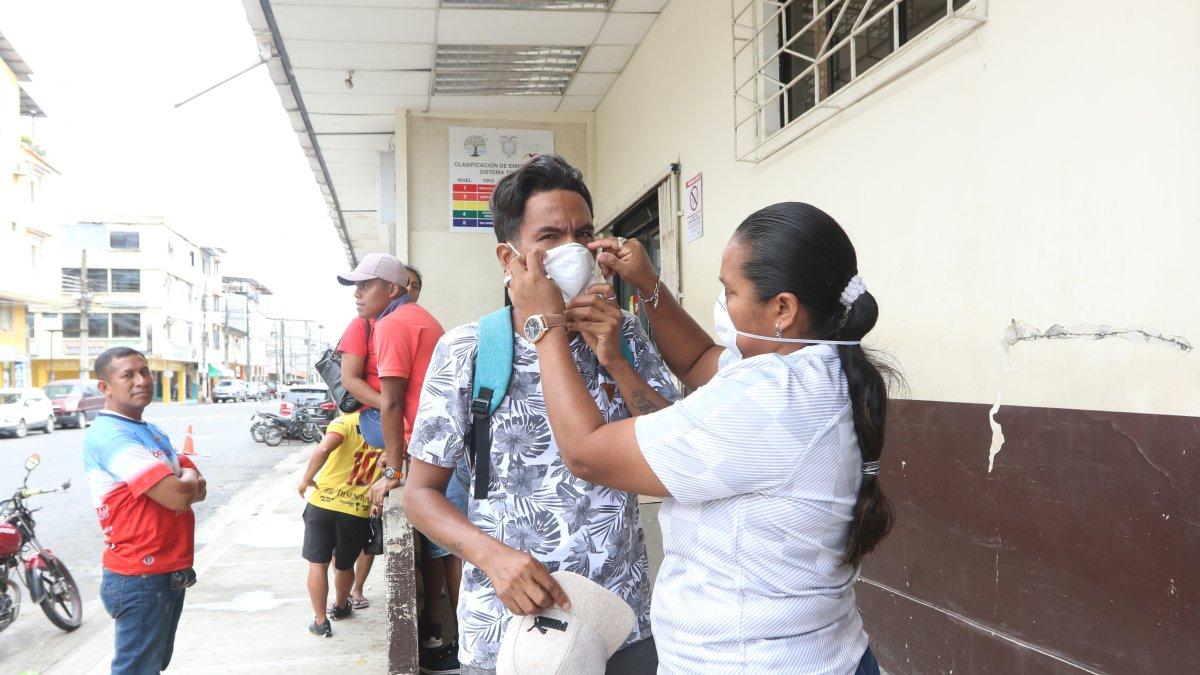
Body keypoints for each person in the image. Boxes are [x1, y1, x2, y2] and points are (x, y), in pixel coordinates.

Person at [506, 202, 894, 674]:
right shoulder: (817, 365)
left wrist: (542, 328)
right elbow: (698, 362)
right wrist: (649, 286)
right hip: (821, 652)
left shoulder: (770, 399)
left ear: (783, 309)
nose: (723, 304)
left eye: (730, 292)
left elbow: (587, 454)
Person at [403, 154, 679, 675]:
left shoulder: (624, 335)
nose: (572, 250)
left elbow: (679, 453)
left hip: (622, 620)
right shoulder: (468, 349)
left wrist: (617, 360)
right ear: (509, 258)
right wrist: (492, 559)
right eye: (550, 236)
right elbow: (420, 494)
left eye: (583, 233)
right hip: (510, 630)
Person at [84, 347, 207, 674]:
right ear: (105, 388)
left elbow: (199, 487)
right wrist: (186, 477)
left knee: (152, 664)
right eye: (128, 375)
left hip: (166, 570)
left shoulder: (151, 431)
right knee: (137, 669)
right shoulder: (113, 437)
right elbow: (179, 494)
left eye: (145, 371)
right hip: (140, 576)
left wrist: (187, 479)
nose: (142, 380)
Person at [335, 252, 410, 609]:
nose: (357, 294)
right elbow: (349, 380)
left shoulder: (396, 323)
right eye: (357, 287)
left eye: (365, 286)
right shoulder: (361, 326)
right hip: (374, 417)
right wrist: (391, 407)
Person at [297, 411, 381, 636]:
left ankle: (321, 620)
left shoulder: (345, 421)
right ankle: (342, 606)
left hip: (322, 505)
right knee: (344, 565)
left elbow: (324, 448)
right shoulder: (389, 428)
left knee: (317, 564)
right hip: (356, 512)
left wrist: (306, 479)